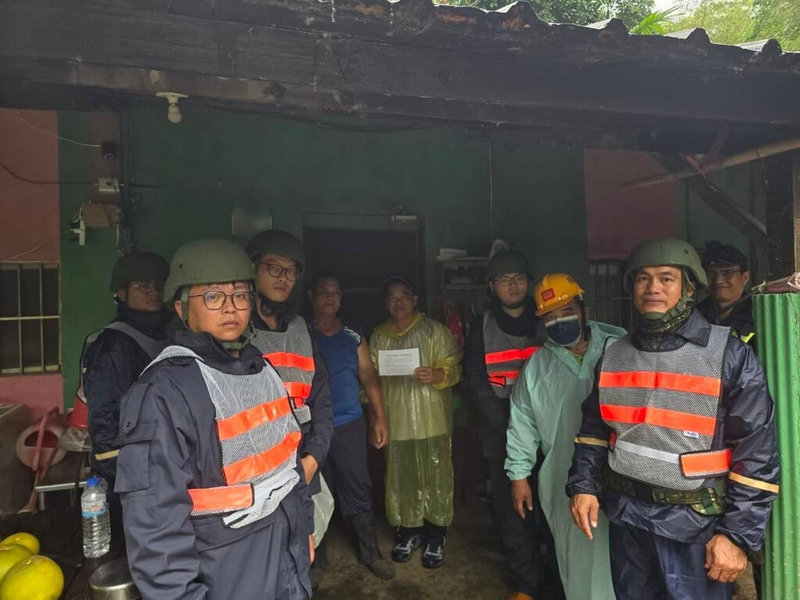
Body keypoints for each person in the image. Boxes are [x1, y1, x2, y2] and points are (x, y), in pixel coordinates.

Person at [567, 238, 779, 600]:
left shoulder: (728, 354)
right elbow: (594, 430)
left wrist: (736, 536)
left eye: (666, 278)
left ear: (689, 288)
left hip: (695, 526)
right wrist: (583, 485)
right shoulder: (615, 353)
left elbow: (757, 453)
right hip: (628, 519)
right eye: (643, 279)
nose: (652, 288)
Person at [115, 239, 313, 599]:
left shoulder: (261, 368)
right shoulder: (163, 391)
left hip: (286, 558)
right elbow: (155, 528)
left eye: (239, 296)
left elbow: (290, 463)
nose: (230, 308)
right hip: (225, 574)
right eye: (212, 297)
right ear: (180, 306)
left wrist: (305, 530)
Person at [506, 273, 625, 600]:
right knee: (575, 556)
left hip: (622, 473)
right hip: (562, 473)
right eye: (550, 316)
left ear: (584, 311)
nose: (560, 321)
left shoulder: (620, 348)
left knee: (624, 556)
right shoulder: (536, 366)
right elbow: (522, 423)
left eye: (567, 310)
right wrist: (518, 475)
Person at [462, 250, 551, 600]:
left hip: (548, 430)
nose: (512, 285)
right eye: (504, 279)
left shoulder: (547, 319)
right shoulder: (480, 327)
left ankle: (556, 577)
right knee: (513, 511)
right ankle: (525, 584)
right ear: (491, 286)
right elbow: (475, 381)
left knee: (552, 506)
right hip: (500, 433)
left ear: (528, 282)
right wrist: (509, 428)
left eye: (518, 278)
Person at [369, 276, 461, 569]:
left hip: (432, 419)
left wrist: (437, 375)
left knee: (436, 477)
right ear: (386, 303)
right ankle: (408, 532)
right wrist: (375, 420)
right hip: (395, 422)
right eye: (392, 297)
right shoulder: (378, 337)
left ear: (415, 299)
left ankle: (436, 534)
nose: (399, 301)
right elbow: (368, 381)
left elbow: (454, 368)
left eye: (404, 295)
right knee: (402, 478)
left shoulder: (434, 331)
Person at [308, 273, 395, 580]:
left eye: (336, 292)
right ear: (311, 296)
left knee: (357, 485)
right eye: (323, 291)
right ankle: (316, 561)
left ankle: (371, 552)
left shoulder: (353, 335)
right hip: (311, 429)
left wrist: (379, 417)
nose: (330, 297)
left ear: (341, 298)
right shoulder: (301, 333)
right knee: (314, 490)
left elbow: (368, 376)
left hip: (349, 423)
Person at [245, 230, 333, 494]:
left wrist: (314, 456)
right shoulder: (236, 330)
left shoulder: (300, 328)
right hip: (256, 465)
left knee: (310, 534)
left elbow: (322, 398)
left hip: (304, 455)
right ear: (252, 269)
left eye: (291, 271)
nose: (283, 278)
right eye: (273, 268)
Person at [82, 251, 172, 489]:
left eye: (159, 284)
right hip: (132, 476)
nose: (154, 291)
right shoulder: (113, 346)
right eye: (143, 286)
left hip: (163, 463)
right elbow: (104, 421)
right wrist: (125, 479)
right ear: (122, 293)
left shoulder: (167, 335)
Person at [697, 240, 755, 347]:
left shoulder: (758, 315)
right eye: (711, 274)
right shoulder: (694, 317)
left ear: (745, 277)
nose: (718, 280)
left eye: (727, 273)